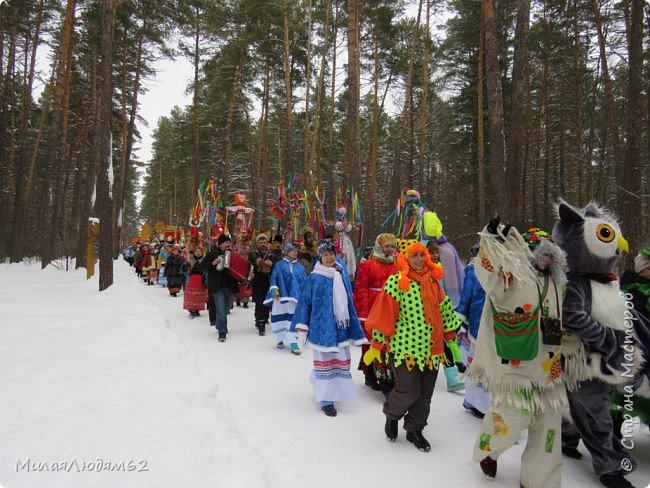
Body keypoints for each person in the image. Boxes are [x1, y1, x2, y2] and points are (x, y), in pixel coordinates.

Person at [469, 222, 568, 487]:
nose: (546, 261)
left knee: (548, 432)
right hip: (515, 369)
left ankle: (540, 480)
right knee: (511, 420)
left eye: (551, 256)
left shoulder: (558, 284)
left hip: (549, 371)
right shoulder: (510, 276)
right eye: (541, 254)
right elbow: (486, 273)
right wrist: (490, 242)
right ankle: (489, 450)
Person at [552, 200, 643, 488]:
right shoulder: (577, 283)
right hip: (586, 360)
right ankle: (611, 467)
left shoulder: (602, 280)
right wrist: (608, 342)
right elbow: (574, 316)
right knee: (595, 411)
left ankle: (567, 438)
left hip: (600, 359)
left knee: (577, 404)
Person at [364, 240, 463, 452]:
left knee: (425, 394)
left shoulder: (433, 282)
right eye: (414, 255)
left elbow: (444, 310)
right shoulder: (397, 282)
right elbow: (385, 313)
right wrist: (377, 344)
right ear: (405, 258)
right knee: (408, 390)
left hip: (431, 349)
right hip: (404, 348)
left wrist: (450, 337)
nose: (419, 259)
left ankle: (414, 429)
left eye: (422, 255)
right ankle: (392, 415)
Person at [289, 239, 368, 417]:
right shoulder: (315, 277)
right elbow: (305, 302)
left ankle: (329, 386)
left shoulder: (341, 275)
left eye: (332, 254)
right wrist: (302, 326)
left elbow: (348, 301)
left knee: (340, 360)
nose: (330, 257)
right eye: (325, 254)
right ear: (320, 257)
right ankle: (325, 399)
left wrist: (354, 324)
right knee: (324, 362)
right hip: (321, 328)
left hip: (339, 328)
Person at [353, 233, 398, 393]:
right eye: (387, 246)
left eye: (393, 246)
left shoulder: (397, 265)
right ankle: (369, 373)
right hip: (372, 308)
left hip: (391, 307)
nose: (390, 250)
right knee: (371, 342)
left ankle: (387, 374)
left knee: (387, 342)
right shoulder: (368, 265)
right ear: (379, 247)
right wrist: (363, 314)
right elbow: (360, 290)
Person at [427, 240, 465, 393]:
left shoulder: (441, 268)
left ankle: (451, 377)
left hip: (442, 311)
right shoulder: (423, 270)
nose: (435, 255)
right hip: (426, 314)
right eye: (431, 252)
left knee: (446, 342)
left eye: (436, 252)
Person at [456, 243, 488, 418]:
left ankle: (483, 403)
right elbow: (466, 293)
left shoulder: (503, 269)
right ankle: (475, 401)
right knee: (474, 363)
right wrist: (461, 315)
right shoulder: (473, 268)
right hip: (476, 321)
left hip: (493, 323)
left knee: (486, 365)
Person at [264, 242, 308, 351]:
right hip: (281, 297)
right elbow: (274, 277)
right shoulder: (279, 265)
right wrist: (274, 289)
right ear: (287, 252)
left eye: (296, 251)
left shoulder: (300, 267)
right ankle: (280, 338)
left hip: (295, 299)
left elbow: (305, 282)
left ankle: (293, 342)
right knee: (280, 318)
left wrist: (305, 295)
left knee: (293, 320)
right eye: (293, 251)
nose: (295, 253)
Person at [202, 234, 239, 342]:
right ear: (220, 244)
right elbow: (203, 266)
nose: (228, 245)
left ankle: (219, 323)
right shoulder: (212, 253)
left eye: (229, 243)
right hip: (218, 287)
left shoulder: (233, 255)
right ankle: (222, 332)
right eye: (226, 243)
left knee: (226, 309)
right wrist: (212, 263)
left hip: (230, 286)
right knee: (220, 310)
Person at [248, 233, 276, 336]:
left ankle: (263, 318)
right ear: (257, 243)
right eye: (261, 242)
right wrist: (255, 263)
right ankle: (261, 324)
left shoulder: (271, 255)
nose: (263, 244)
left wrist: (271, 264)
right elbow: (248, 266)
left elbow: (276, 268)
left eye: (264, 242)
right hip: (257, 282)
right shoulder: (253, 254)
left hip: (268, 282)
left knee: (267, 303)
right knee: (259, 303)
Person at [184, 246, 208, 318]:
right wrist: (187, 263)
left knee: (199, 296)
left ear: (202, 253)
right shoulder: (191, 260)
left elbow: (206, 271)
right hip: (191, 279)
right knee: (191, 296)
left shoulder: (204, 261)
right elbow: (186, 269)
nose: (198, 253)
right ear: (194, 252)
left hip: (200, 280)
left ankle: (197, 310)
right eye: (196, 251)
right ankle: (191, 310)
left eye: (200, 252)